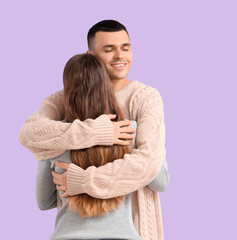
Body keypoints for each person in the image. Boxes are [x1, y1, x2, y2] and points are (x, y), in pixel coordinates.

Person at [19, 20, 168, 240]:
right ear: (91, 55)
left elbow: (149, 166)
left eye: (125, 48)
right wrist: (98, 132)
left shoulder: (146, 98)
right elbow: (28, 133)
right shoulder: (63, 99)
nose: (120, 56)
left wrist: (83, 181)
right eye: (109, 49)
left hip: (138, 227)